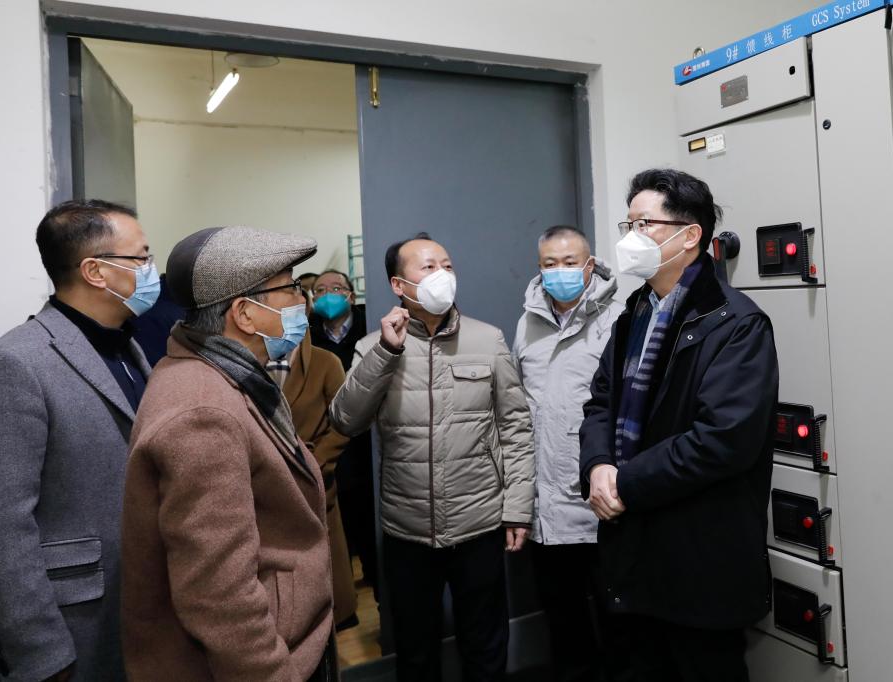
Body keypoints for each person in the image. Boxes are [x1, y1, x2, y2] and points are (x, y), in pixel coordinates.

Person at [579, 169, 778, 682]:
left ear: (690, 235)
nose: (631, 236)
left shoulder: (736, 323)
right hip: (633, 550)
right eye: (629, 224)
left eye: (644, 223)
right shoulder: (635, 312)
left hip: (698, 558)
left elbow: (723, 440)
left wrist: (624, 482)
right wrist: (598, 465)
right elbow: (601, 403)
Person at [121, 227, 335, 681]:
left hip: (291, 637)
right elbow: (219, 596)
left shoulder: (227, 376)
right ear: (245, 314)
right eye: (289, 289)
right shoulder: (204, 412)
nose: (302, 302)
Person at [328, 233, 534, 682]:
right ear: (399, 285)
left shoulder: (487, 339)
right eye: (428, 267)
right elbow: (346, 420)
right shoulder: (372, 346)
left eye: (447, 265)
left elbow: (516, 428)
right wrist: (386, 351)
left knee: (485, 648)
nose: (443, 274)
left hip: (479, 523)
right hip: (407, 531)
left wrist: (518, 507)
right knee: (416, 653)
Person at [0, 200, 156, 681]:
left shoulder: (129, 348)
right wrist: (41, 652)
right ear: (95, 271)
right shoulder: (13, 364)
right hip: (72, 624)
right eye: (141, 257)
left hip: (136, 609)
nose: (151, 270)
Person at [512, 225, 623, 682]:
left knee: (620, 625)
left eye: (570, 262)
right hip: (548, 508)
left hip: (605, 500)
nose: (560, 271)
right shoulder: (527, 322)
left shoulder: (619, 318)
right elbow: (520, 411)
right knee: (564, 623)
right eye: (550, 264)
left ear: (589, 265)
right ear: (539, 268)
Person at [282, 332, 359, 630]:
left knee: (329, 584)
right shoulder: (248, 362)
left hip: (315, 483)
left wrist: (316, 462)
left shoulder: (325, 362)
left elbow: (344, 422)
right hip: (268, 489)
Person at [308, 270, 378, 593]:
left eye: (336, 288)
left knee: (370, 528)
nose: (328, 295)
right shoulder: (306, 337)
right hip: (327, 446)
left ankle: (378, 586)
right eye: (320, 290)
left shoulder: (370, 328)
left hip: (368, 444)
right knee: (338, 532)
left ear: (351, 294)